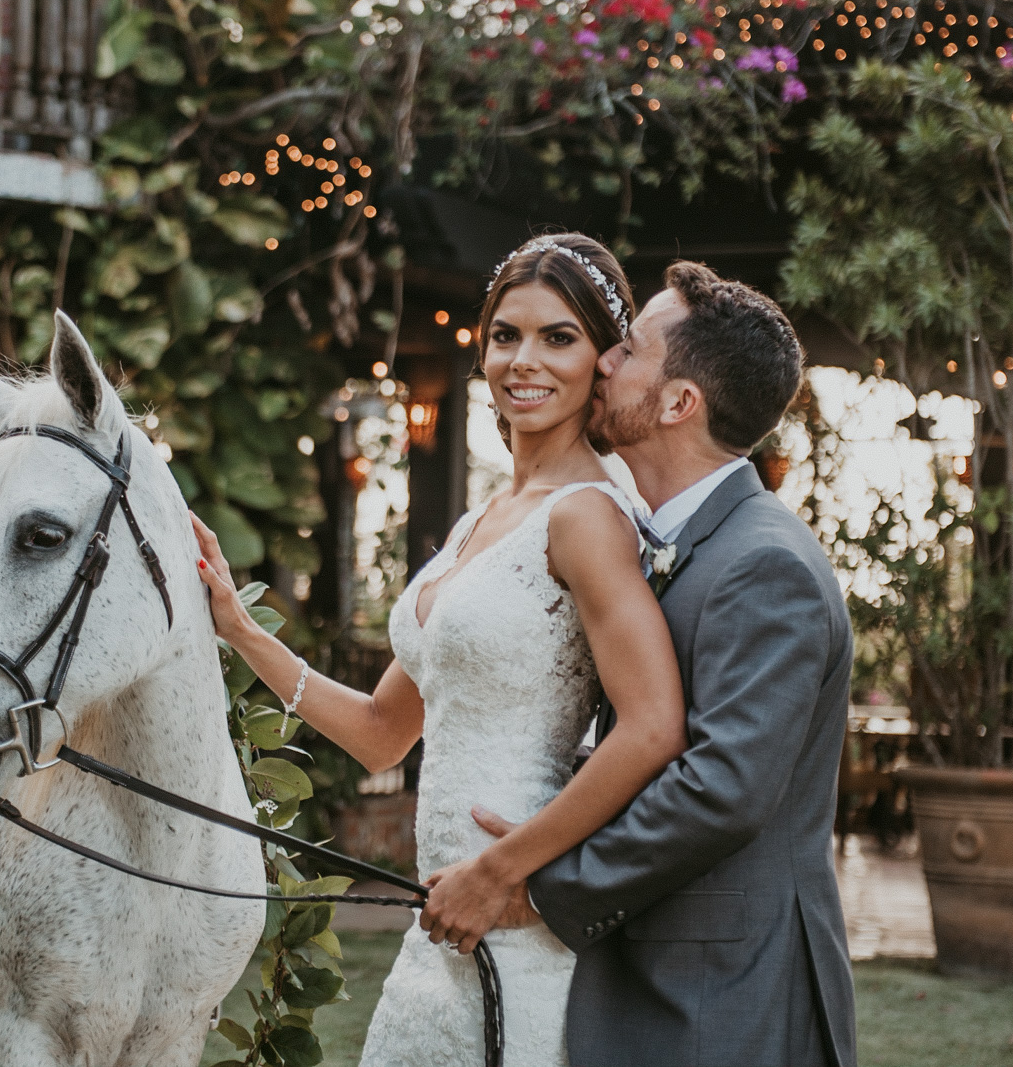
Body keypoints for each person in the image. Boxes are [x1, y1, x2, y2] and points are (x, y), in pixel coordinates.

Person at [194, 234, 687, 1067]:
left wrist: (503, 870)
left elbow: (652, 727)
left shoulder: (587, 516)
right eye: (506, 336)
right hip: (442, 920)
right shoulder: (480, 521)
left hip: (517, 913)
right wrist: (239, 629)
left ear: (604, 358)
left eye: (557, 338)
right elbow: (385, 731)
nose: (523, 361)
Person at [478, 261, 858, 1067]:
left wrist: (545, 885)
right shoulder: (680, 542)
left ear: (680, 401)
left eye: (631, 350)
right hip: (672, 973)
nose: (606, 359)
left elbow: (721, 789)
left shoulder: (766, 564)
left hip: (727, 994)